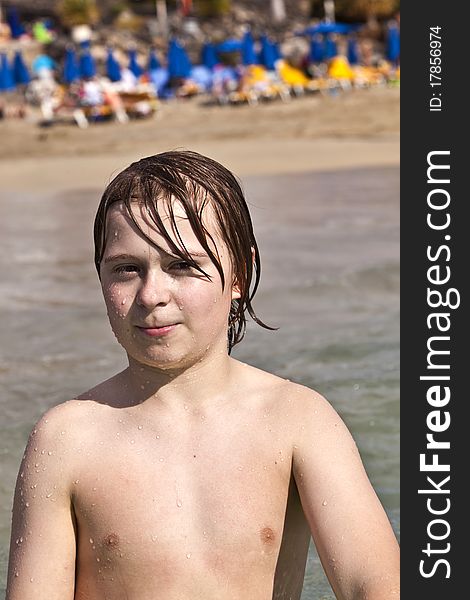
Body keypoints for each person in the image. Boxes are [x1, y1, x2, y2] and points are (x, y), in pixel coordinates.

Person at [6, 151, 399, 599]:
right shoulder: (66, 439)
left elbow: (375, 584)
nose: (152, 294)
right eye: (126, 269)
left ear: (239, 274)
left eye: (182, 266)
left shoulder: (296, 420)